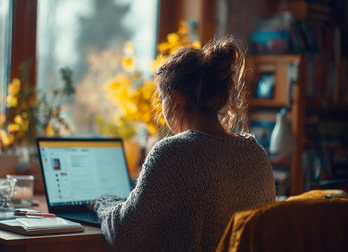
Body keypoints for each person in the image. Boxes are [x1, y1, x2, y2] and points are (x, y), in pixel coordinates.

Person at [91, 37, 276, 251]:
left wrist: (104, 203)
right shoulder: (256, 155)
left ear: (176, 100)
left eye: (162, 99)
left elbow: (125, 235)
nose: (161, 109)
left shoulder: (172, 153)